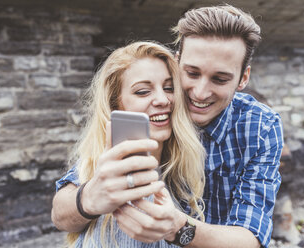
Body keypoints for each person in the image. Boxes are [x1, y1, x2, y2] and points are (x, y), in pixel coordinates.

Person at [113, 4, 284, 248]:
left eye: (219, 79)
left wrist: (178, 228)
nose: (200, 93)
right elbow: (64, 207)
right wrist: (88, 198)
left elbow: (251, 238)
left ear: (243, 78)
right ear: (176, 61)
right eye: (192, 74)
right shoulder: (153, 105)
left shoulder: (260, 127)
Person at [51, 41, 206, 247]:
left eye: (169, 88)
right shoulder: (107, 170)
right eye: (143, 91)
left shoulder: (183, 165)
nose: (163, 99)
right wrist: (89, 198)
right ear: (115, 103)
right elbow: (59, 212)